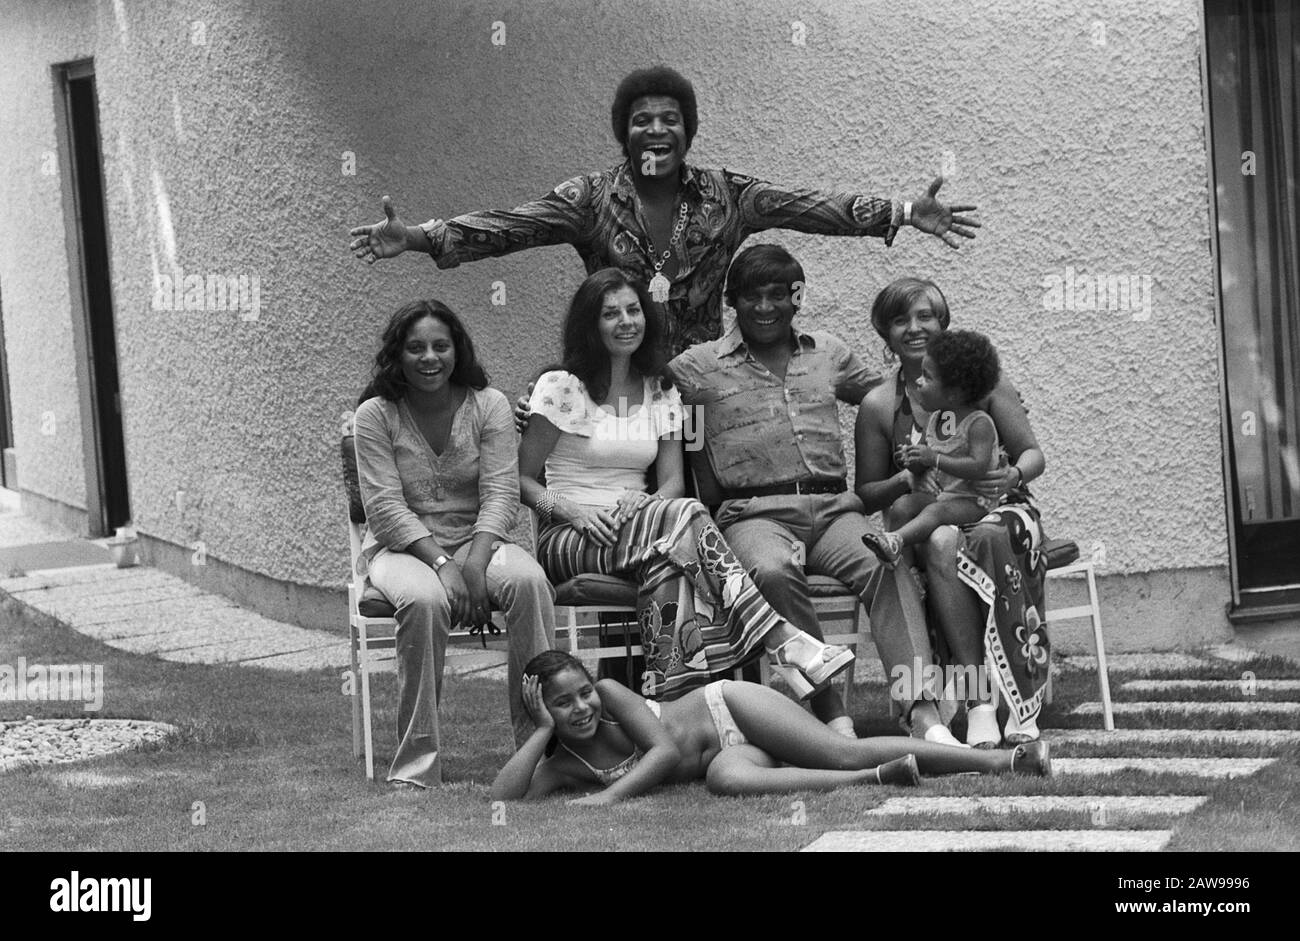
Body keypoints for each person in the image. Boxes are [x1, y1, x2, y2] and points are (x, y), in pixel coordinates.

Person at [348, 65, 979, 356]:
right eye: (642, 120)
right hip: (615, 380)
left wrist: (897, 210)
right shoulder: (590, 198)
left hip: (700, 378)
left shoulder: (728, 193)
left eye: (670, 120)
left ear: (687, 132)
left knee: (698, 515)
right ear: (625, 132)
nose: (656, 130)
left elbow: (811, 206)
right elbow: (510, 226)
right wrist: (423, 237)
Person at [519, 267, 854, 703]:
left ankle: (672, 706)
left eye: (634, 310)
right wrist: (574, 512)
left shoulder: (660, 389)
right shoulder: (561, 387)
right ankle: (781, 638)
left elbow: (673, 483)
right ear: (590, 324)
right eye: (610, 314)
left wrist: (647, 502)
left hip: (647, 530)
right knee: (689, 514)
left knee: (670, 568)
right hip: (572, 537)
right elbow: (520, 479)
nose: (626, 321)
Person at [669, 243, 918, 741]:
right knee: (769, 570)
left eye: (779, 295)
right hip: (755, 514)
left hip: (834, 509)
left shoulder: (828, 354)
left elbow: (899, 396)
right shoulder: (698, 367)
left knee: (886, 563)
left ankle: (922, 710)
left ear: (796, 298)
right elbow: (629, 386)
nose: (765, 308)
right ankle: (831, 714)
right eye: (752, 297)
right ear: (732, 303)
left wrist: (980, 394)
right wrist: (547, 393)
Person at [353, 300, 556, 787]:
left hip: (479, 538)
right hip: (400, 549)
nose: (429, 358)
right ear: (396, 355)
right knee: (423, 600)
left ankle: (541, 752)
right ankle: (417, 766)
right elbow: (384, 509)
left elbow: (503, 492)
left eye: (440, 346)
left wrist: (473, 562)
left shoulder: (489, 405)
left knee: (529, 582)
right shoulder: (375, 415)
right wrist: (444, 565)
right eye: (416, 347)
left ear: (456, 349)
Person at [854, 278, 1048, 748]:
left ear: (943, 322)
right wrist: (906, 479)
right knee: (938, 536)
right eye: (901, 319)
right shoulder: (880, 405)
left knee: (970, 537)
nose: (915, 328)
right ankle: (979, 699)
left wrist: (1012, 477)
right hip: (933, 517)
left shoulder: (986, 386)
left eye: (925, 316)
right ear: (885, 333)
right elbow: (867, 496)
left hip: (999, 508)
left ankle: (1000, 697)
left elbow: (1032, 455)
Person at [489, 651, 1051, 804]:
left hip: (727, 709)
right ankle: (880, 778)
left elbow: (659, 752)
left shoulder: (613, 696)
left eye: (582, 691)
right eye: (563, 704)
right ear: (545, 709)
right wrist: (541, 732)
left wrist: (608, 801)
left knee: (839, 752)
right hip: (721, 758)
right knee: (725, 782)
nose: (583, 706)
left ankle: (1005, 761)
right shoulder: (563, 764)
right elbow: (503, 797)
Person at [862, 329, 1003, 567]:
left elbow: (977, 467)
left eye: (927, 377)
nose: (918, 381)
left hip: (974, 502)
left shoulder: (978, 424)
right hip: (945, 497)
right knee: (902, 506)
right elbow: (927, 460)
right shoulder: (938, 418)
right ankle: (904, 573)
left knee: (934, 514)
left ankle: (895, 541)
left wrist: (934, 458)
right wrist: (913, 460)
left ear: (953, 394)